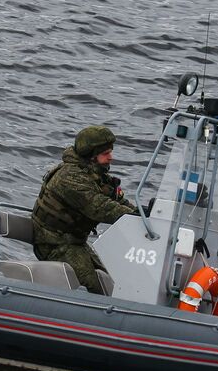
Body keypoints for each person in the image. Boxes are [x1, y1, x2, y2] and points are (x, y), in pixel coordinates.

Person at [31, 125, 138, 294]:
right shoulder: (70, 177)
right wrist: (131, 215)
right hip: (52, 243)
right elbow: (99, 206)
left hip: (74, 242)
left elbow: (118, 200)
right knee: (95, 286)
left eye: (110, 152)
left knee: (110, 280)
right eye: (106, 153)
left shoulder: (95, 176)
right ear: (91, 155)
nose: (111, 157)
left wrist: (141, 214)